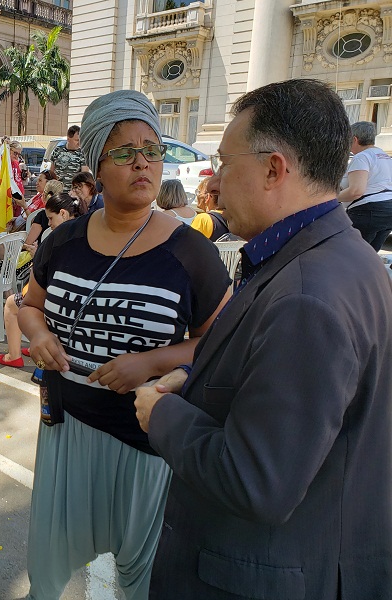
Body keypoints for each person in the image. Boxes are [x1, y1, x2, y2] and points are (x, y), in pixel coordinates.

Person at [135, 79, 392, 599]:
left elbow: (257, 480)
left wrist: (161, 414)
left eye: (224, 164)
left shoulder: (307, 297)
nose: (213, 182)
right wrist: (195, 378)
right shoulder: (345, 257)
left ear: (274, 169)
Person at [19, 90, 230, 600]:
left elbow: (224, 343)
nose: (142, 162)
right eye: (124, 151)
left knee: (142, 580)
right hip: (66, 430)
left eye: (151, 150)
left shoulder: (192, 252)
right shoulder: (63, 241)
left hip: (148, 444)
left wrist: (152, 362)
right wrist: (40, 334)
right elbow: (29, 306)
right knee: (47, 567)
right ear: (96, 163)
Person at [0, 192, 82, 368]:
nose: (49, 224)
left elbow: (47, 274)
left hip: (56, 300)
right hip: (72, 301)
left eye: (50, 218)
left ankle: (14, 355)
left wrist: (38, 255)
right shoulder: (85, 231)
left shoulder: (62, 237)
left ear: (63, 214)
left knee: (12, 304)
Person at [338, 120, 392, 250]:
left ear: (355, 139)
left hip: (368, 210)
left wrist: (332, 199)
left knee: (350, 252)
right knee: (369, 254)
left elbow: (356, 191)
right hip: (388, 209)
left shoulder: (362, 157)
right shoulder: (385, 156)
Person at [49, 125, 90, 190]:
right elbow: (51, 172)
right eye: (76, 140)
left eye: (80, 140)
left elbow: (84, 175)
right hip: (58, 190)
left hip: (73, 191)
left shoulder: (82, 153)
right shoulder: (58, 150)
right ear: (68, 138)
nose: (79, 143)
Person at [0, 137, 26, 203]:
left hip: (19, 197)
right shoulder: (3, 162)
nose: (17, 156)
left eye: (19, 154)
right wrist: (3, 146)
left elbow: (19, 179)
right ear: (9, 150)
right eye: (15, 153)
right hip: (6, 198)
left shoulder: (16, 163)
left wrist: (25, 176)